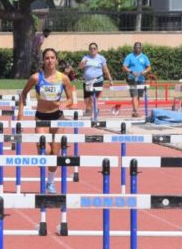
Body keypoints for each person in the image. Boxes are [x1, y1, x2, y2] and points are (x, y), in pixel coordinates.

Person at [18, 48, 76, 194]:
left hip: (57, 117)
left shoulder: (63, 78)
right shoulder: (36, 78)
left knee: (55, 153)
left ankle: (50, 182)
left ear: (56, 60)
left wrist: (65, 104)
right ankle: (43, 162)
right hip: (41, 117)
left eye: (52, 58)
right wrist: (21, 113)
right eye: (47, 58)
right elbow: (23, 94)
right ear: (43, 61)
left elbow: (71, 98)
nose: (50, 61)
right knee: (45, 150)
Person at [79, 42, 113, 117]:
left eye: (94, 48)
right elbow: (80, 67)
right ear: (89, 50)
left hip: (98, 80)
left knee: (92, 97)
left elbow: (105, 70)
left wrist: (110, 79)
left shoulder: (101, 58)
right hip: (87, 81)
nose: (92, 50)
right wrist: (82, 64)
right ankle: (90, 109)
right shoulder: (85, 58)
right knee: (86, 100)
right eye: (91, 48)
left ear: (97, 50)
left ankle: (95, 112)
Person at [122, 42, 151, 118]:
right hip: (132, 78)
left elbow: (149, 67)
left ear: (141, 48)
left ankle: (135, 111)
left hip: (141, 78)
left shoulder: (144, 57)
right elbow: (124, 67)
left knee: (138, 96)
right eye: (136, 47)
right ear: (134, 48)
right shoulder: (129, 56)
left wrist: (144, 71)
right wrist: (131, 72)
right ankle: (135, 111)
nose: (137, 49)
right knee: (134, 95)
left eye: (139, 47)